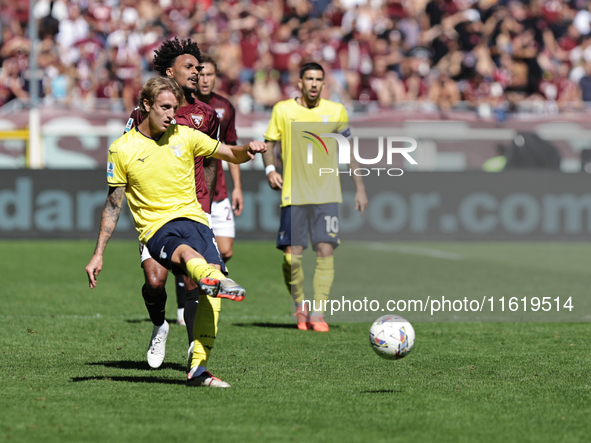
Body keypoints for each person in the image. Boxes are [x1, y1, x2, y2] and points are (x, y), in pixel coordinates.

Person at [85, 76, 266, 387]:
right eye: (165, 107)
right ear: (146, 106)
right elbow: (114, 204)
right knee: (182, 265)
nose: (172, 114)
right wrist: (98, 253)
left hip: (194, 220)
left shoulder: (186, 136)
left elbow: (228, 153)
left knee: (212, 295)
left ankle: (198, 370)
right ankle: (208, 283)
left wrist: (248, 150)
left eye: (174, 107)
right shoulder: (123, 148)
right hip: (155, 228)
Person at [124, 38, 220, 367]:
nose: (197, 72)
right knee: (154, 282)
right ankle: (159, 324)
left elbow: (210, 160)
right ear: (171, 71)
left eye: (199, 67)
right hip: (155, 212)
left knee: (196, 277)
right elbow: (129, 151)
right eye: (189, 67)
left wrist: (203, 199)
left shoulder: (207, 114)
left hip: (190, 210)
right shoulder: (145, 111)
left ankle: (197, 356)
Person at [262, 62, 368, 332]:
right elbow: (269, 142)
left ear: (324, 84)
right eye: (308, 78)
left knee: (325, 250)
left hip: (326, 194)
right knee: (291, 257)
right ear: (300, 82)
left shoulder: (336, 111)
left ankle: (318, 312)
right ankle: (300, 305)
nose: (313, 83)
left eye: (318, 79)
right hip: (293, 195)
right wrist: (271, 169)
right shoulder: (283, 110)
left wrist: (360, 188)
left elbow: (347, 151)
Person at [196, 55, 242, 262]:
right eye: (201, 75)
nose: (205, 79)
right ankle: (188, 287)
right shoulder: (182, 106)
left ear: (216, 77)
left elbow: (232, 147)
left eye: (209, 74)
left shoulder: (225, 107)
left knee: (225, 251)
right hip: (192, 190)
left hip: (219, 189)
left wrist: (237, 188)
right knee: (196, 250)